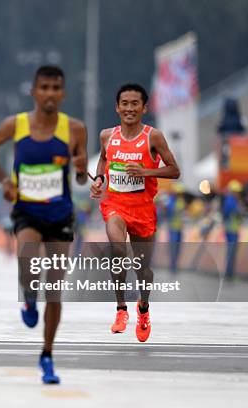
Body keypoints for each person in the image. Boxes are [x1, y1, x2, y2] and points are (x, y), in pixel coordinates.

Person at [0, 65, 88, 384]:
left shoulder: (75, 129)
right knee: (28, 260)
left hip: (61, 215)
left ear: (63, 93)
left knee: (54, 290)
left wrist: (82, 170)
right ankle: (29, 295)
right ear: (34, 92)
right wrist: (3, 179)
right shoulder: (16, 125)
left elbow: (81, 175)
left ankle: (47, 355)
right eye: (44, 87)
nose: (50, 94)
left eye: (56, 88)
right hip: (26, 210)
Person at [90, 83, 180, 343]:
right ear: (117, 107)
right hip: (115, 204)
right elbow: (104, 159)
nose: (129, 108)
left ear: (144, 108)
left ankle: (143, 308)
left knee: (143, 269)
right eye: (125, 104)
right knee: (117, 250)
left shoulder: (153, 137)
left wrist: (146, 172)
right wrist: (98, 179)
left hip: (143, 209)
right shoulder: (107, 135)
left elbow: (175, 170)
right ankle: (121, 309)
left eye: (135, 104)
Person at [222, 179, 243, 280]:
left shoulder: (231, 199)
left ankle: (230, 274)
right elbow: (234, 213)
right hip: (231, 231)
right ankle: (229, 275)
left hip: (232, 230)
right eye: (237, 191)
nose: (238, 193)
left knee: (231, 253)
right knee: (231, 253)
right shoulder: (231, 200)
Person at [165, 182, 186, 274]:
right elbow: (169, 211)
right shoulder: (171, 200)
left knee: (178, 248)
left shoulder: (181, 200)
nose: (179, 194)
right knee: (173, 248)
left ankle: (175, 265)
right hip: (173, 228)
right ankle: (172, 267)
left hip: (179, 228)